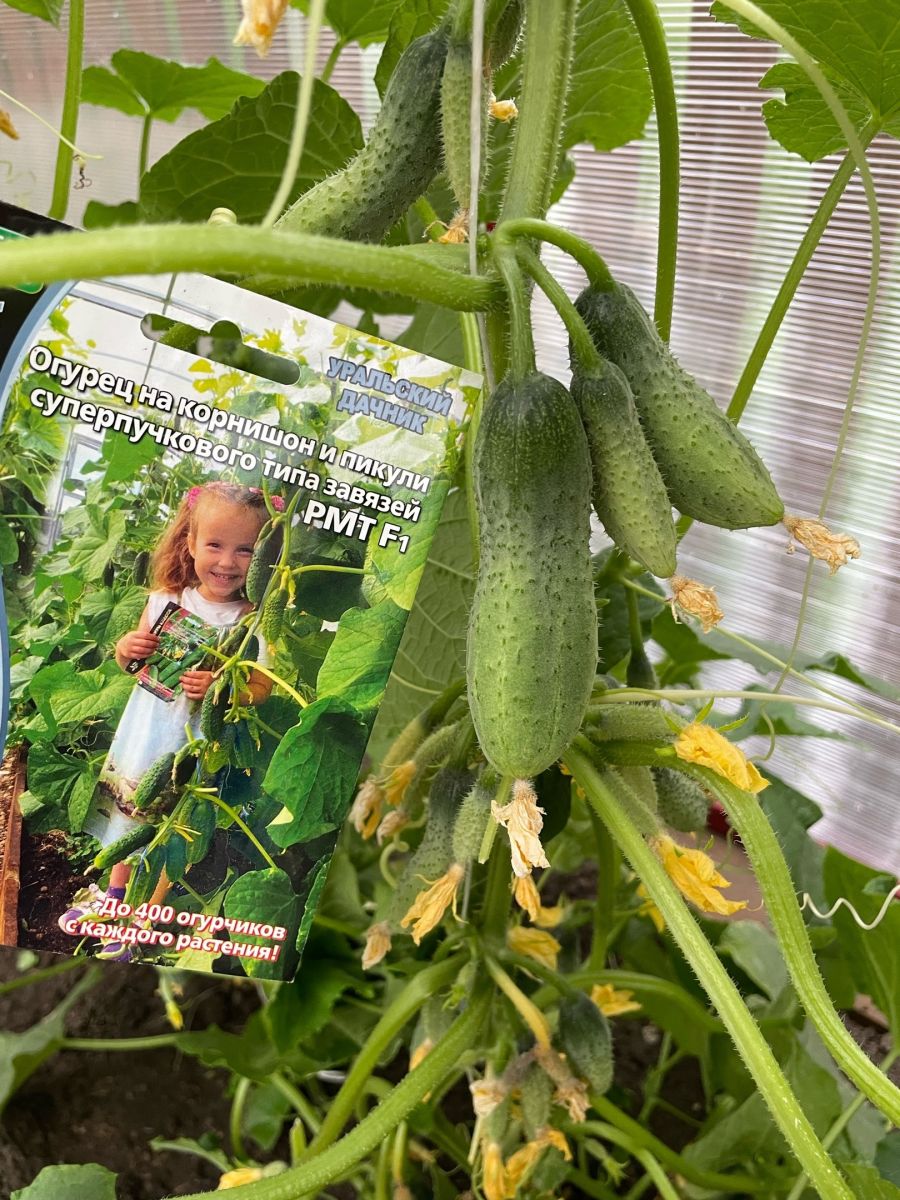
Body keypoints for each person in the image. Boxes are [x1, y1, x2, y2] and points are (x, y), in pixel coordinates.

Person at [69, 482, 281, 950]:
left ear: (264, 558)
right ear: (190, 543)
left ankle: (145, 915)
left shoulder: (252, 621)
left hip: (194, 746)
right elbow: (131, 664)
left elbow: (261, 688)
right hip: (145, 733)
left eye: (246, 550)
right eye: (215, 545)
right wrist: (126, 648)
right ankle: (114, 898)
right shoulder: (166, 600)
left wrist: (225, 690)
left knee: (173, 828)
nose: (227, 562)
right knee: (129, 815)